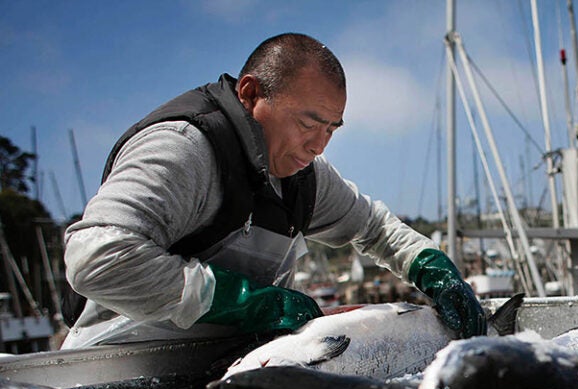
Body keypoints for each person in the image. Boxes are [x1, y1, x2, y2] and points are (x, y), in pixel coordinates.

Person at [61, 32, 486, 349]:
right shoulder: (184, 148)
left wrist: (431, 267)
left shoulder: (304, 174)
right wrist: (244, 301)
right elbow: (96, 256)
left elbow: (374, 227)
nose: (319, 145)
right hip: (117, 372)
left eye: (330, 129)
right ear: (250, 94)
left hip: (223, 369)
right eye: (307, 124)